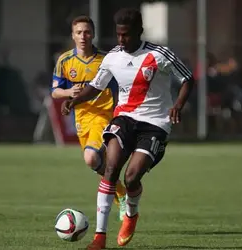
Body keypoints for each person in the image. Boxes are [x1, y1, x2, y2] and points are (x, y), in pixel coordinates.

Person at [62, 8, 194, 250]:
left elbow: (188, 78)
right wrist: (74, 101)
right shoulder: (113, 56)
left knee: (131, 178)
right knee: (111, 168)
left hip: (154, 125)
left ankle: (131, 215)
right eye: (118, 35)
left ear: (138, 32)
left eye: (126, 35)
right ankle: (99, 238)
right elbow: (96, 86)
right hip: (124, 119)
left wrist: (178, 105)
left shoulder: (159, 54)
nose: (121, 40)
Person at [51, 15, 127, 221]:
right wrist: (69, 94)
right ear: (73, 36)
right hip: (82, 119)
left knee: (91, 158)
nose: (83, 36)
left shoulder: (106, 60)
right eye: (78, 32)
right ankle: (119, 189)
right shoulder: (65, 61)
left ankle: (119, 193)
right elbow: (55, 92)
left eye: (87, 32)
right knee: (93, 162)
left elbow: (123, 85)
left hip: (104, 116)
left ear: (93, 34)